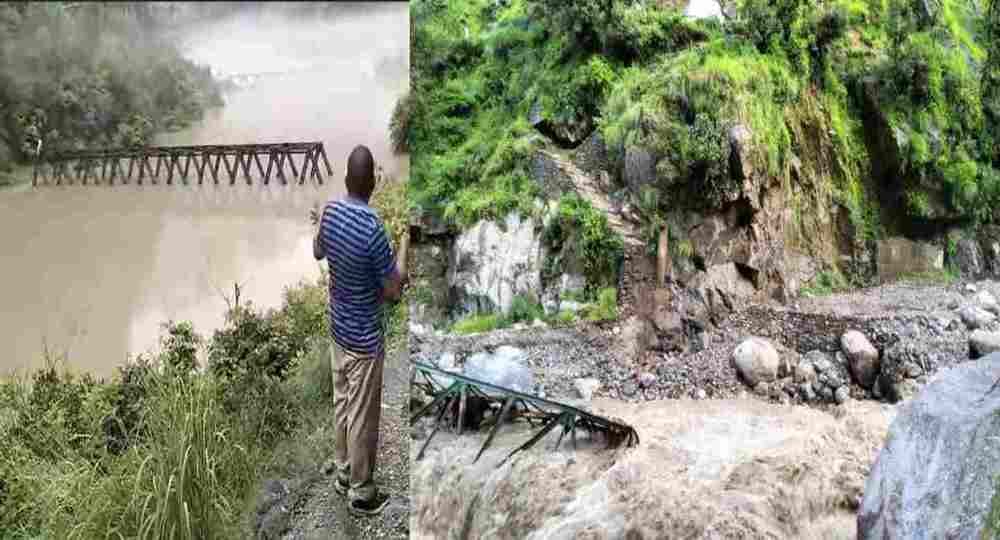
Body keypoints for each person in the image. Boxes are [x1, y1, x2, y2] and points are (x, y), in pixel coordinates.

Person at [311, 145, 405, 516]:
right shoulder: (374, 229)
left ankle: (343, 471)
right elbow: (393, 289)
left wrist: (317, 223)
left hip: (338, 332)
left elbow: (318, 251)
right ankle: (362, 493)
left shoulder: (331, 212)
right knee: (362, 416)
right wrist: (405, 248)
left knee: (343, 406)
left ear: (348, 180)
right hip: (365, 341)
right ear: (373, 184)